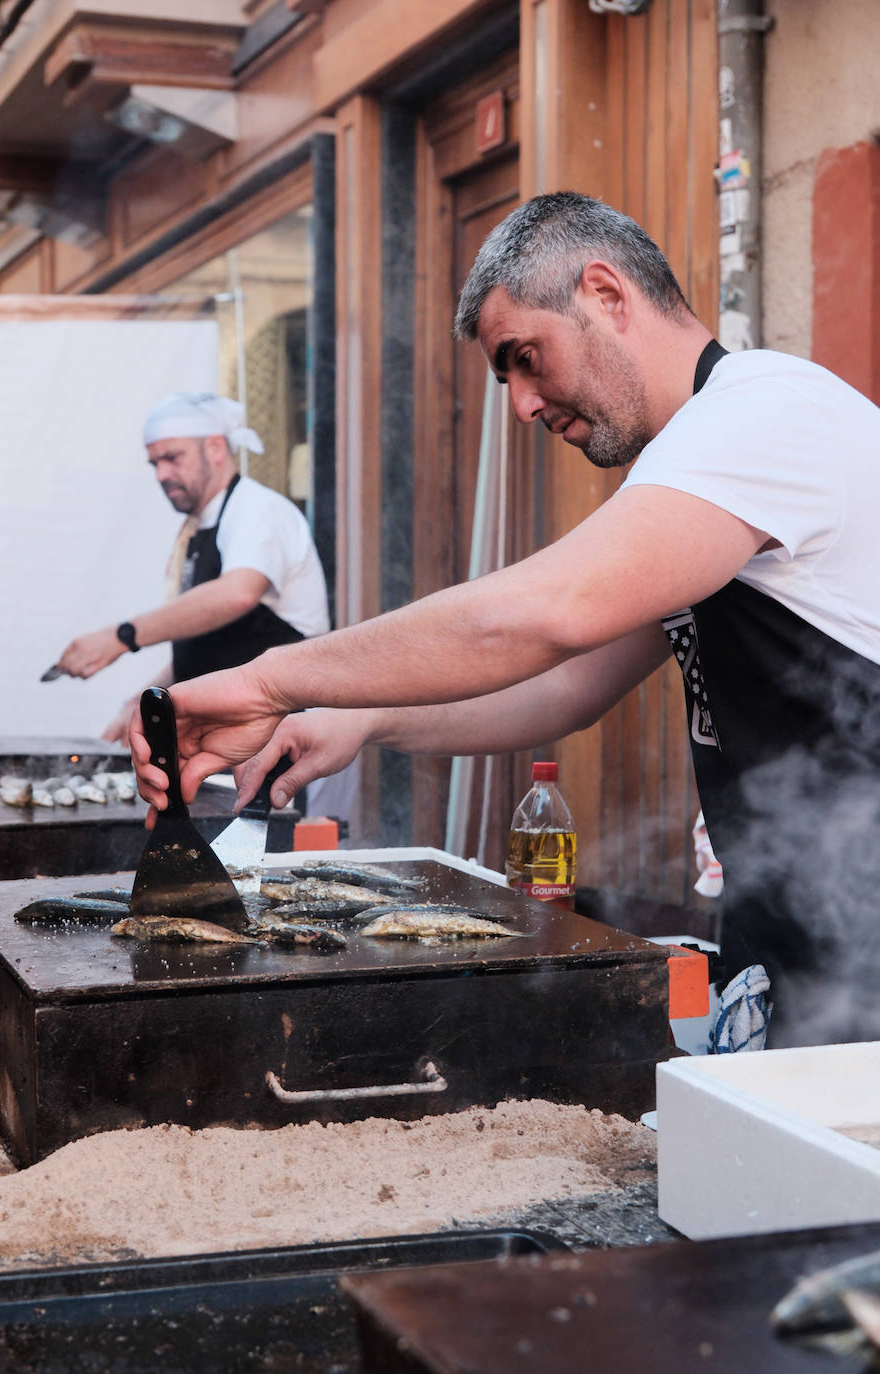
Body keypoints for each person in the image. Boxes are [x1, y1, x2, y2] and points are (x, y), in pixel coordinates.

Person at [132, 192, 880, 1047]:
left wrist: (269, 680)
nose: (523, 405)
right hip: (802, 941)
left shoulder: (765, 413)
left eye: (527, 358)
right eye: (506, 378)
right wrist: (361, 716)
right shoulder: (700, 468)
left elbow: (539, 619)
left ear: (604, 293)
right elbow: (565, 684)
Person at [51, 392, 330, 743]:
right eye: (154, 464)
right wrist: (146, 699)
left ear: (215, 448)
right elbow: (206, 644)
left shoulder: (257, 510)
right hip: (232, 736)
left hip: (285, 732)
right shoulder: (198, 530)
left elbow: (237, 594)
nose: (161, 474)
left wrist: (120, 637)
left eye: (172, 458)